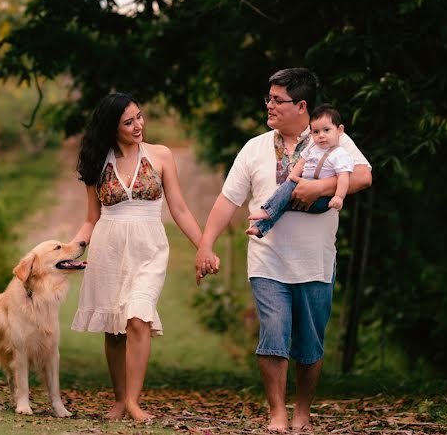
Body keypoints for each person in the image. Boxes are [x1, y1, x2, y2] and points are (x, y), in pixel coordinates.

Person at [194, 68, 372, 432]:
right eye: (269, 98)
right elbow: (229, 200)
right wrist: (205, 245)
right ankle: (277, 412)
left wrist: (321, 189)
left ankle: (302, 413)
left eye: (278, 100)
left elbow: (365, 175)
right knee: (273, 333)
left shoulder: (330, 137)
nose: (269, 106)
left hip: (316, 261)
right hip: (267, 259)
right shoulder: (255, 148)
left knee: (310, 343)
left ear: (302, 105)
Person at [71, 92, 203, 422]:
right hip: (109, 249)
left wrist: (204, 246)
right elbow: (91, 218)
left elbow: (180, 208)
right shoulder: (96, 162)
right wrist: (71, 249)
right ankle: (119, 400)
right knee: (115, 329)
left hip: (149, 249)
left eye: (139, 117)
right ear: (111, 127)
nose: (138, 125)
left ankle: (132, 401)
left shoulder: (160, 155)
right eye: (128, 122)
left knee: (138, 317)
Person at [245, 104, 354, 237]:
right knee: (282, 204)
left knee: (280, 202)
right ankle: (261, 228)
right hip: (302, 185)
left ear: (340, 130)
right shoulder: (313, 148)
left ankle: (268, 210)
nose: (321, 136)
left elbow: (343, 177)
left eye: (326, 130)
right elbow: (301, 163)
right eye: (316, 132)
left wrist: (339, 197)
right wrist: (290, 179)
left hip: (323, 199)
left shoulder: (340, 154)